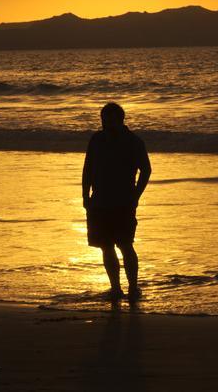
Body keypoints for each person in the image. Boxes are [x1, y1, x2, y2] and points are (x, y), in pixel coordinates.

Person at [82, 102, 152, 302]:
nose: (105, 123)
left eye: (109, 119)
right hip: (100, 200)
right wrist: (85, 196)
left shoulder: (133, 141)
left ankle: (133, 288)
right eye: (103, 119)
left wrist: (136, 196)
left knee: (125, 244)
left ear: (120, 119)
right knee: (106, 245)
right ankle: (115, 288)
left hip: (123, 202)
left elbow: (146, 170)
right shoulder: (96, 140)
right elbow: (87, 169)